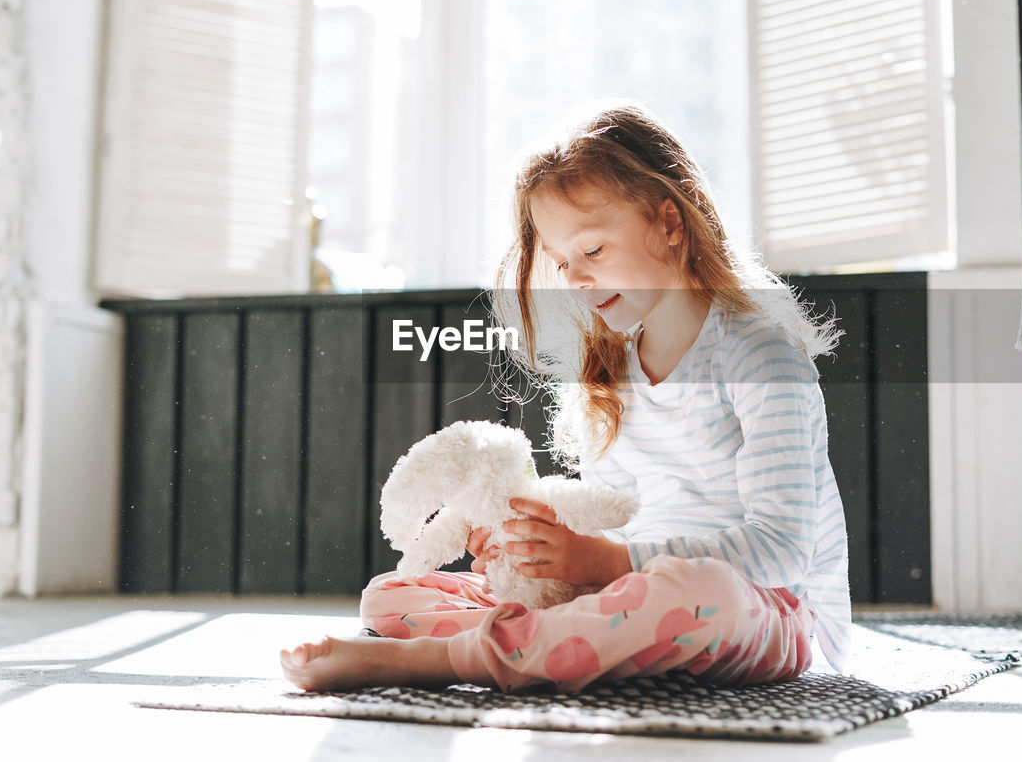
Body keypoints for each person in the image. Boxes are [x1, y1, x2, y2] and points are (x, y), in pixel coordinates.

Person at [281, 101, 851, 693]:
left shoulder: (759, 357)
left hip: (770, 611)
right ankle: (547, 638)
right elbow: (619, 521)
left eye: (595, 251)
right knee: (389, 598)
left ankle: (440, 660)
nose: (576, 280)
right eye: (562, 262)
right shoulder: (614, 372)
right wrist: (537, 551)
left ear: (669, 224)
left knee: (698, 594)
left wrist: (609, 565)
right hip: (638, 592)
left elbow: (783, 551)